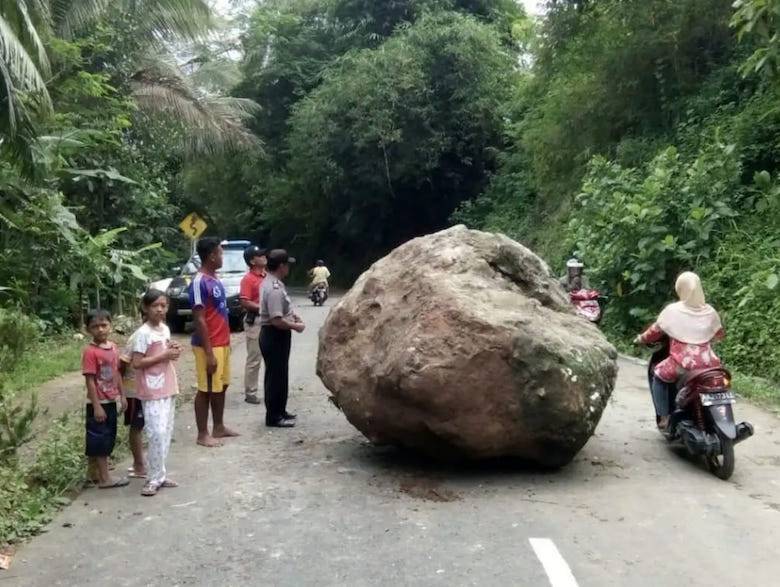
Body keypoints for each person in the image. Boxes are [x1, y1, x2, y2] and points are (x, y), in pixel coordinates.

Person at [635, 272, 725, 429]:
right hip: (709, 365)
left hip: (682, 364)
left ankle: (664, 417)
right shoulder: (710, 311)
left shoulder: (673, 310)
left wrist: (640, 339)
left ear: (680, 288)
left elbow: (654, 332)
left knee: (658, 375)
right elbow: (719, 335)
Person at [131, 289, 182, 496]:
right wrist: (164, 355)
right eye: (155, 306)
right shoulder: (143, 333)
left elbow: (166, 353)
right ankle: (152, 478)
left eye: (163, 305)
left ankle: (160, 474)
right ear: (145, 308)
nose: (160, 309)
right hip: (151, 389)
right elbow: (137, 362)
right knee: (156, 433)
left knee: (166, 432)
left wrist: (173, 350)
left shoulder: (165, 329)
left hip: (167, 385)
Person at [190, 237, 239, 447]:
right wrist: (209, 353)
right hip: (208, 345)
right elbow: (199, 319)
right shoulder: (199, 282)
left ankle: (219, 426)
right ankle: (202, 434)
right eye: (220, 253)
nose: (222, 257)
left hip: (222, 342)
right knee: (206, 388)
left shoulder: (215, 279)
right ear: (211, 256)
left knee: (222, 385)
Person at [82, 309, 128, 489]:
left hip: (110, 400)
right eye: (95, 326)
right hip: (98, 402)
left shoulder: (113, 347)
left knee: (108, 437)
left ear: (110, 326)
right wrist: (96, 406)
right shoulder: (90, 352)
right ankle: (104, 479)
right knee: (99, 439)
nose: (100, 329)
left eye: (104, 325)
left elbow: (117, 373)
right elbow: (90, 380)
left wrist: (122, 395)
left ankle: (95, 474)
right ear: (88, 329)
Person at [260, 249, 306, 428]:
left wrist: (293, 317)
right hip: (274, 334)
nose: (289, 268)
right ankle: (273, 416)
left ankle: (280, 410)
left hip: (276, 334)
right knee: (275, 377)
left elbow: (283, 312)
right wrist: (296, 327)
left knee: (280, 374)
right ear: (281, 266)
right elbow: (276, 320)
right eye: (287, 265)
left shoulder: (274, 283)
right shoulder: (274, 288)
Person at [239, 245, 268, 405]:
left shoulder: (266, 276)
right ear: (252, 261)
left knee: (271, 357)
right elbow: (245, 301)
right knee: (254, 357)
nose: (264, 256)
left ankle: (270, 390)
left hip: (268, 321)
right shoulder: (248, 279)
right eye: (260, 255)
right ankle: (250, 393)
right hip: (255, 321)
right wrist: (262, 308)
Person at [119, 326, 145, 480]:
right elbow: (122, 364)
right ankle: (138, 465)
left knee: (145, 426)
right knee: (136, 426)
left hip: (151, 390)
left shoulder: (162, 331)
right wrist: (122, 392)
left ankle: (141, 462)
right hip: (134, 391)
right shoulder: (137, 337)